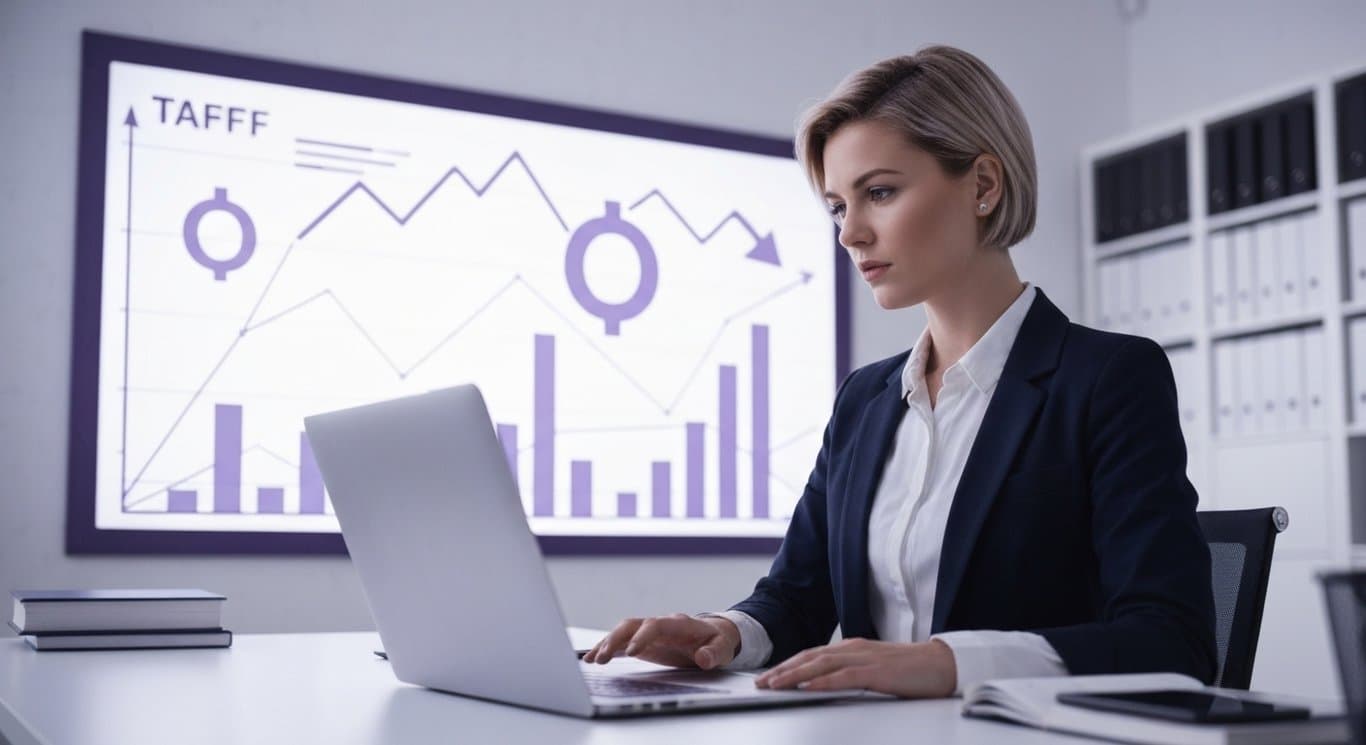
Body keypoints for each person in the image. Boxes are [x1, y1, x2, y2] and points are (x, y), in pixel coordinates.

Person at [582, 44, 1216, 699]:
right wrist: (724, 633)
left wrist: (948, 664)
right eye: (836, 206)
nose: (849, 233)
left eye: (879, 192)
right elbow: (797, 599)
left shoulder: (1108, 379)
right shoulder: (866, 399)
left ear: (984, 185)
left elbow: (1173, 639)